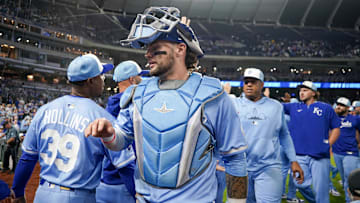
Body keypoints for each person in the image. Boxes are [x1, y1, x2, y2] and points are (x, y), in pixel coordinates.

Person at [85, 7, 248, 203]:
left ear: (180, 49)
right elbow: (121, 141)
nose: (147, 54)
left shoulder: (213, 95)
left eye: (155, 47)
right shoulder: (137, 93)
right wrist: (109, 134)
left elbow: (235, 159)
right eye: (147, 47)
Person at [10, 54, 135, 203]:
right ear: (90, 81)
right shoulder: (102, 118)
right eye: (101, 76)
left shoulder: (44, 110)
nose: (103, 80)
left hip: (43, 194)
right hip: (78, 196)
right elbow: (125, 167)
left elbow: (27, 158)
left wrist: (18, 192)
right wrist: (138, 196)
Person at [232, 68, 303, 203]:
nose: (248, 85)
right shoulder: (232, 104)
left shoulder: (276, 106)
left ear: (262, 85)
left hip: (268, 166)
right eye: (246, 82)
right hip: (240, 167)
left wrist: (293, 160)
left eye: (253, 82)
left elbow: (284, 135)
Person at [96, 60, 147, 203]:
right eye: (139, 77)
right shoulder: (127, 107)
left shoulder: (111, 105)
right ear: (132, 79)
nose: (142, 80)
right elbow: (124, 161)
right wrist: (135, 193)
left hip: (105, 181)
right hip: (123, 183)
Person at [283, 81, 341, 203]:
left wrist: (329, 144)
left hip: (319, 155)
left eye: (305, 90)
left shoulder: (325, 108)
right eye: (300, 90)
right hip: (298, 155)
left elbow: (336, 127)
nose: (301, 93)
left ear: (313, 93)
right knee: (299, 184)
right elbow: (275, 106)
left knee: (321, 190)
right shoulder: (294, 107)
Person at [332, 97, 360, 203]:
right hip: (336, 152)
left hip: (351, 152)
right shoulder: (332, 118)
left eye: (341, 105)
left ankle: (350, 201)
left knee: (350, 177)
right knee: (344, 178)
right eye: (338, 104)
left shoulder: (355, 119)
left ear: (347, 108)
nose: (338, 107)